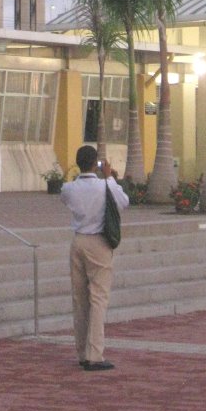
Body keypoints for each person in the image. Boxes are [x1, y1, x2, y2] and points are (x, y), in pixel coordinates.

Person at [60, 145, 129, 371]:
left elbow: (66, 198)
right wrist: (109, 178)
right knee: (98, 298)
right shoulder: (104, 185)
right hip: (99, 241)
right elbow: (123, 202)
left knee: (79, 300)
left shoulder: (69, 188)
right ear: (96, 164)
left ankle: (81, 352)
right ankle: (95, 354)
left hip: (78, 240)